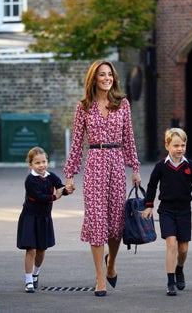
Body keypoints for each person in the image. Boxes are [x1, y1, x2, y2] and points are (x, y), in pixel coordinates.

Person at [63, 60, 141, 297]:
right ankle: (99, 278)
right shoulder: (83, 107)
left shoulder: (122, 104)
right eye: (102, 75)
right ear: (93, 79)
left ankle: (111, 264)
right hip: (95, 163)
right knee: (97, 222)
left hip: (116, 163)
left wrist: (135, 168)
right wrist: (69, 174)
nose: (107, 78)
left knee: (116, 224)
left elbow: (129, 138)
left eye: (110, 74)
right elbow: (76, 143)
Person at [143, 128, 192, 296]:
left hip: (184, 211)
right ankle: (170, 280)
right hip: (166, 210)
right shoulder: (160, 166)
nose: (180, 149)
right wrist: (149, 205)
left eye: (183, 145)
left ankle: (179, 269)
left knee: (183, 248)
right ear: (167, 146)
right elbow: (151, 186)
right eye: (176, 145)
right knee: (171, 244)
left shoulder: (190, 165)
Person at [17, 147, 68, 293]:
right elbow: (38, 197)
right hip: (30, 217)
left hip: (44, 218)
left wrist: (67, 189)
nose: (42, 165)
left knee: (41, 250)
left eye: (44, 161)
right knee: (31, 249)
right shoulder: (30, 180)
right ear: (31, 164)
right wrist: (55, 197)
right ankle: (28, 281)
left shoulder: (51, 176)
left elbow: (61, 187)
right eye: (37, 163)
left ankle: (35, 273)